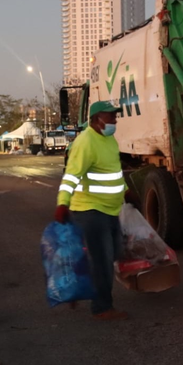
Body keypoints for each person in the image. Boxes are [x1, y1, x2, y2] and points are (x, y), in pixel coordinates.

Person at [54, 101, 128, 321]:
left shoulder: (109, 140)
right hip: (91, 210)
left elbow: (112, 170)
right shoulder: (85, 142)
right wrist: (62, 203)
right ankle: (102, 307)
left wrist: (126, 190)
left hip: (110, 209)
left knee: (114, 253)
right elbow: (71, 175)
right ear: (97, 120)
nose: (115, 121)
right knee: (103, 260)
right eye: (110, 117)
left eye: (115, 116)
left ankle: (77, 282)